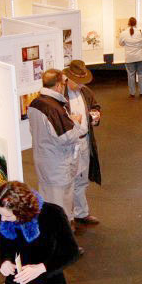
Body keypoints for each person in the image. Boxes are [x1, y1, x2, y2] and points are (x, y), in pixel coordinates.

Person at [0, 181, 80, 284]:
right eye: (0, 214)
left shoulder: (52, 214)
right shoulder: (5, 218)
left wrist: (42, 268)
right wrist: (5, 261)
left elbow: (71, 252)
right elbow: (5, 246)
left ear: (21, 210)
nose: (3, 219)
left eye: (7, 215)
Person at [28, 69, 87, 226]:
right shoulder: (53, 108)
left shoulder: (35, 103)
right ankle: (63, 236)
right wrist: (76, 122)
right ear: (59, 86)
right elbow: (67, 137)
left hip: (44, 160)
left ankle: (51, 232)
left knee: (47, 200)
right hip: (58, 163)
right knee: (61, 204)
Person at [63, 60, 101, 226]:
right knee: (68, 181)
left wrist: (95, 115)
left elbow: (95, 106)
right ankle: (68, 217)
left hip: (84, 141)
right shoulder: (60, 96)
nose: (80, 85)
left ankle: (81, 213)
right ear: (68, 78)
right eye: (77, 82)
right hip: (68, 144)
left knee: (82, 179)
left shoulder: (85, 91)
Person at [118, 17, 142, 98]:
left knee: (131, 75)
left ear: (128, 23)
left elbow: (120, 43)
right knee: (141, 74)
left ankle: (132, 93)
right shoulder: (141, 32)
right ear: (136, 23)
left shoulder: (123, 33)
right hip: (141, 57)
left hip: (129, 58)